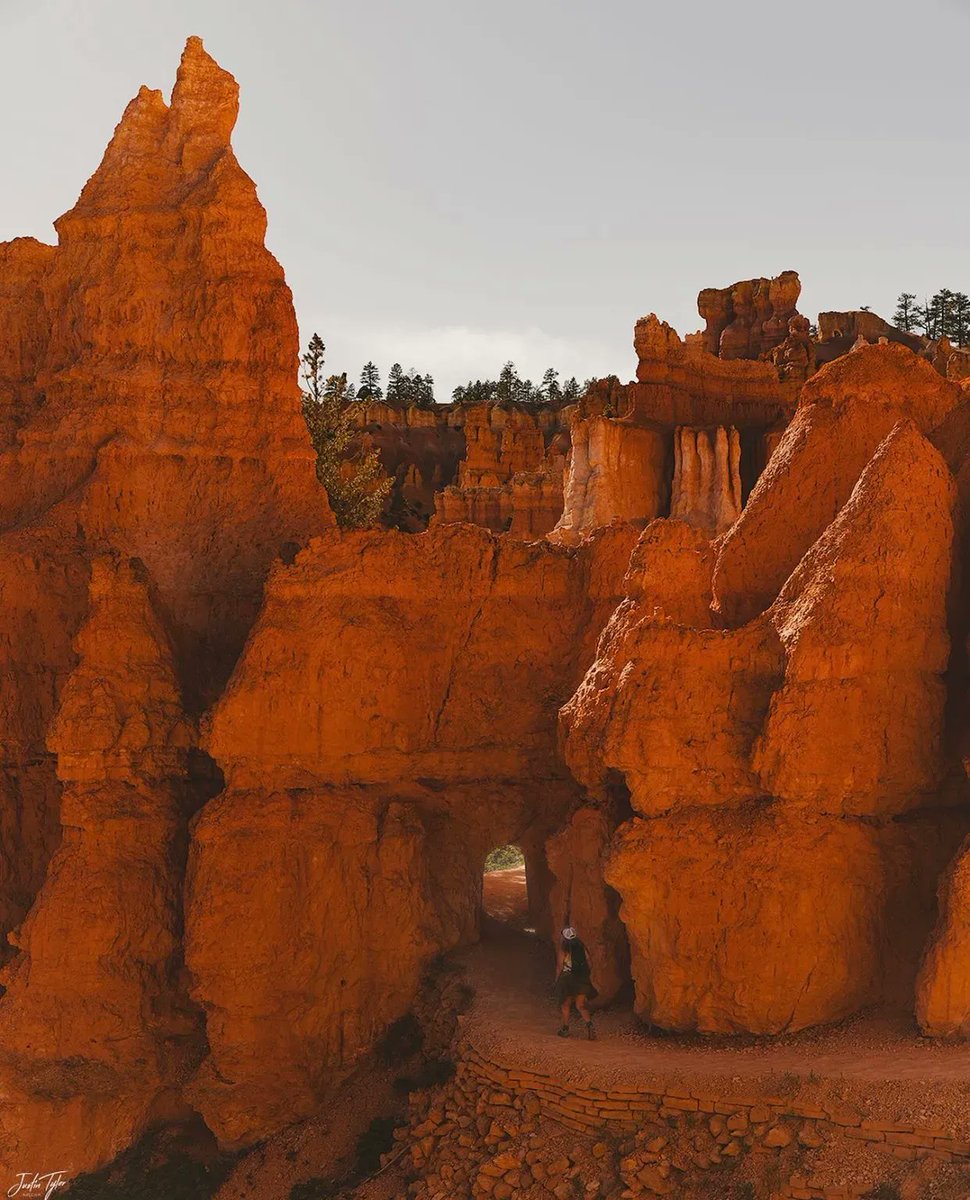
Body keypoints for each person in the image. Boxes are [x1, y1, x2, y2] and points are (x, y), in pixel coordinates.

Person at [554, 926, 597, 1039]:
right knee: (580, 1005)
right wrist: (586, 974)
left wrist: (557, 980)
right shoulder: (581, 946)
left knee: (565, 1004)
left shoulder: (563, 948)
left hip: (568, 980)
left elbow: (559, 966)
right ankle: (590, 1026)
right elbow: (590, 962)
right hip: (582, 979)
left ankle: (565, 1029)